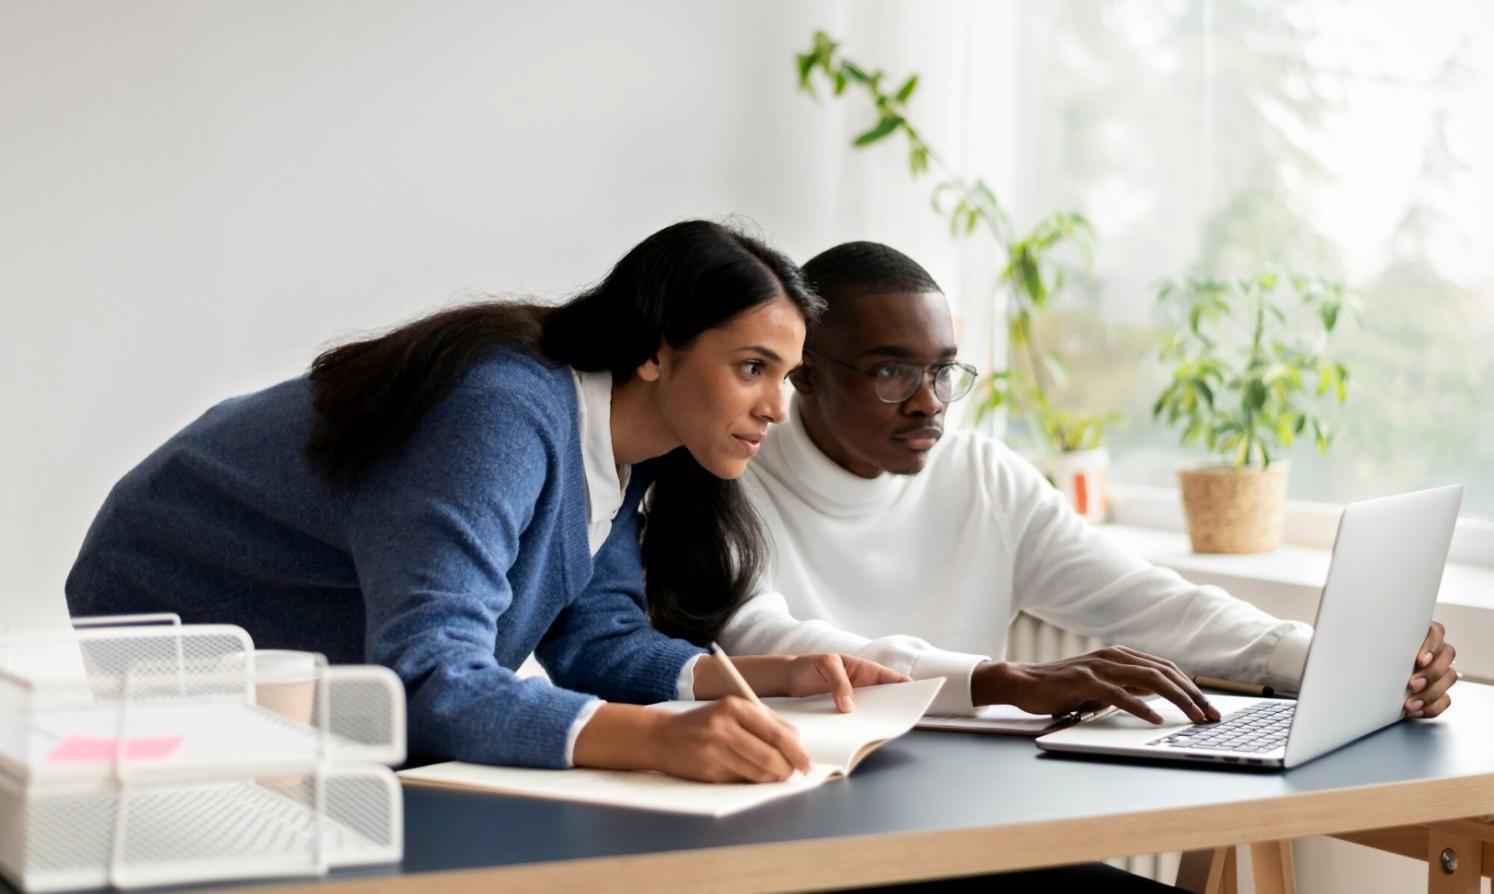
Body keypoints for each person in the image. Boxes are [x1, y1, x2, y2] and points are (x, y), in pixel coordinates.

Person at [64, 221, 908, 782]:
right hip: (174, 607)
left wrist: (771, 678)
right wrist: (660, 737)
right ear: (656, 352)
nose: (777, 408)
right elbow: (428, 675)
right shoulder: (499, 413)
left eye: (787, 376)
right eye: (753, 368)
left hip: (311, 666)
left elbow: (596, 640)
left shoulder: (628, 443)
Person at [715, 240, 1458, 723]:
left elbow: (1149, 601)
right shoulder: (728, 483)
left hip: (966, 809)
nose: (928, 402)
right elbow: (777, 643)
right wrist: (1004, 680)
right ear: (803, 373)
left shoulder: (982, 477)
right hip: (804, 812)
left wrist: (1336, 661)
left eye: (943, 371)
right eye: (890, 372)